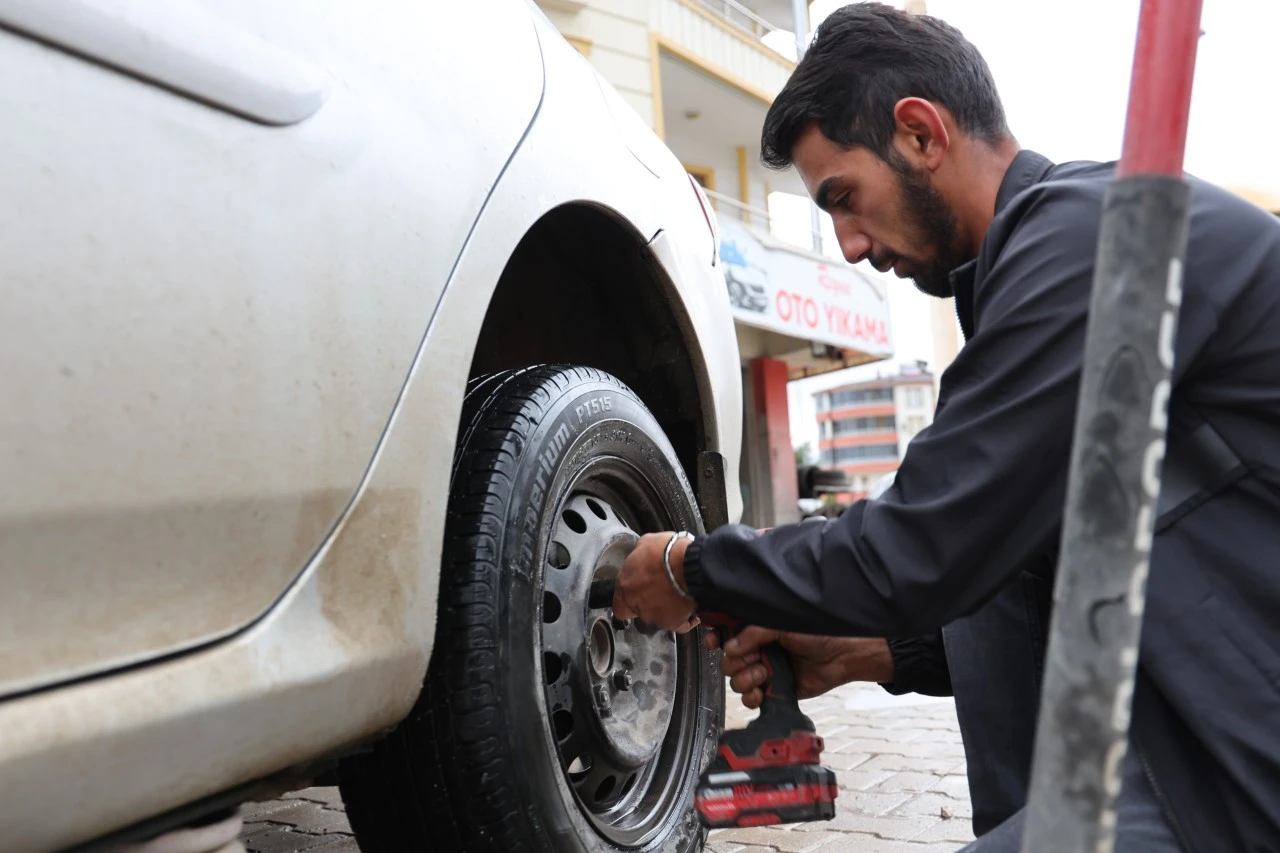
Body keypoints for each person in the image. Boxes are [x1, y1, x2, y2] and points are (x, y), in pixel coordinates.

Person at [609, 3, 1280, 852]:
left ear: (922, 133)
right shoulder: (1047, 263)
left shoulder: (1089, 246)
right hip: (1189, 743)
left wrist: (691, 567)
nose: (848, 246)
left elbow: (920, 547)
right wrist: (873, 653)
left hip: (1232, 767)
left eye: (844, 198)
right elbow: (1018, 566)